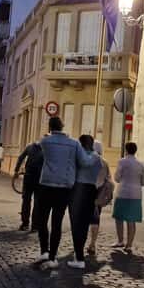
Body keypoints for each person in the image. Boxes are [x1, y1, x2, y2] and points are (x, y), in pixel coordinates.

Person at [34, 116, 95, 270]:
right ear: (62, 126)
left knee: (42, 219)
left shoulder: (45, 142)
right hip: (64, 188)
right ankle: (53, 256)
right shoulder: (74, 144)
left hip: (46, 184)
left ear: (50, 127)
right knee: (57, 222)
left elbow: (37, 147)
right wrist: (94, 155)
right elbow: (85, 162)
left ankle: (44, 251)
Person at [67, 135, 103, 270]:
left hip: (78, 189)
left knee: (76, 223)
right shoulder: (97, 157)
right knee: (84, 223)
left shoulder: (81, 157)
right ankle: (79, 254)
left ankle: (79, 257)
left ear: (81, 145)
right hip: (91, 190)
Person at [112, 142, 144, 253]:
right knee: (131, 220)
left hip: (123, 192)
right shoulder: (140, 164)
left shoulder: (122, 161)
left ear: (126, 150)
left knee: (119, 218)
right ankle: (129, 244)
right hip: (136, 194)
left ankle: (120, 240)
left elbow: (117, 178)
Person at [87, 141, 111, 257]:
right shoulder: (104, 162)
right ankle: (92, 243)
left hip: (87, 192)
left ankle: (81, 243)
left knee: (83, 220)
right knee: (95, 220)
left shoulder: (88, 159)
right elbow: (108, 179)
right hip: (99, 194)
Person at [14, 140, 44, 231]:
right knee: (37, 202)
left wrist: (16, 170)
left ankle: (25, 223)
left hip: (28, 177)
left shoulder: (29, 146)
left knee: (26, 200)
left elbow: (21, 157)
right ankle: (35, 226)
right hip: (40, 179)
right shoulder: (46, 149)